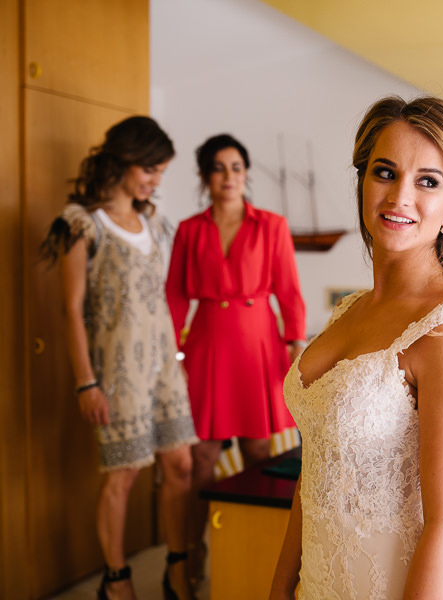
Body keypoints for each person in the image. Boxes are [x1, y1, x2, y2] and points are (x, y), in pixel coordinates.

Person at [269, 96, 443, 599]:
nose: (399, 197)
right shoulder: (347, 311)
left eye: (427, 181)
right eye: (384, 172)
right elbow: (316, 474)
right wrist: (282, 589)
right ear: (363, 183)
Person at [40, 116, 198, 600]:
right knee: (124, 474)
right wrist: (86, 382)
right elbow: (71, 310)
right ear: (122, 160)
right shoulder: (81, 222)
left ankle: (175, 565)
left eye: (160, 172)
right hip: (116, 372)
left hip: (164, 367)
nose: (154, 180)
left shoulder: (150, 219)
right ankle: (116, 579)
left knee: (180, 466)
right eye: (149, 169)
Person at [165, 134, 307, 581]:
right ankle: (193, 552)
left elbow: (289, 293)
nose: (229, 177)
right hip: (206, 345)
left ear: (246, 174)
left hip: (257, 347)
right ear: (205, 176)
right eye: (219, 168)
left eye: (237, 168)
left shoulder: (271, 225)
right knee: (201, 457)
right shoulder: (189, 229)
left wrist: (295, 344)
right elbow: (173, 295)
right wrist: (173, 352)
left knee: (258, 449)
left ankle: (255, 547)